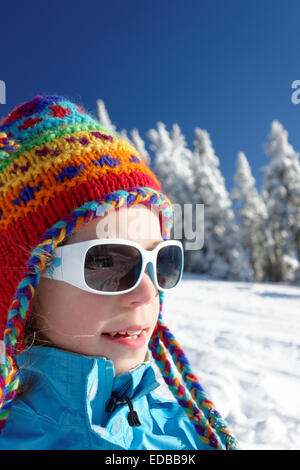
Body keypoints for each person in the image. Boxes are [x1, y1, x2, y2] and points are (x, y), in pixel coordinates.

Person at [0, 94, 239, 450]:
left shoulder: (184, 431)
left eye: (161, 261)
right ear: (23, 286)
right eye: (106, 261)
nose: (147, 294)